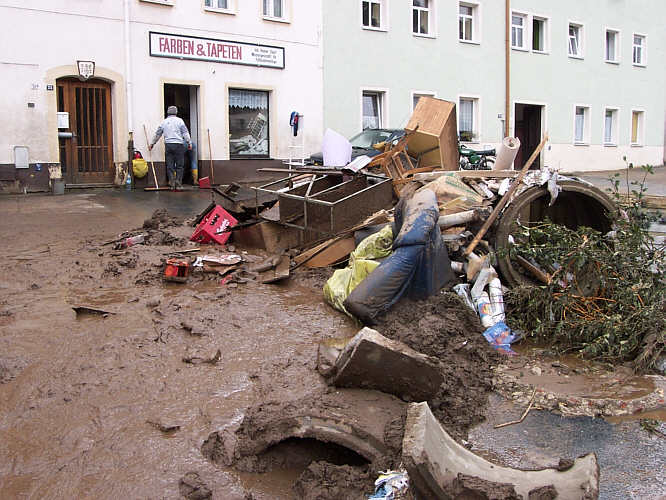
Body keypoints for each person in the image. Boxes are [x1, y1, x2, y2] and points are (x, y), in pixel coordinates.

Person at [149, 106, 192, 190]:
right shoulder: (180, 121)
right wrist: (189, 142)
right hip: (179, 145)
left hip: (168, 145)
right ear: (176, 112)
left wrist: (152, 144)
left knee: (170, 165)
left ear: (168, 112)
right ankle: (178, 184)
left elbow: (157, 134)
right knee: (180, 165)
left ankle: (172, 184)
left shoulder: (164, 122)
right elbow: (185, 133)